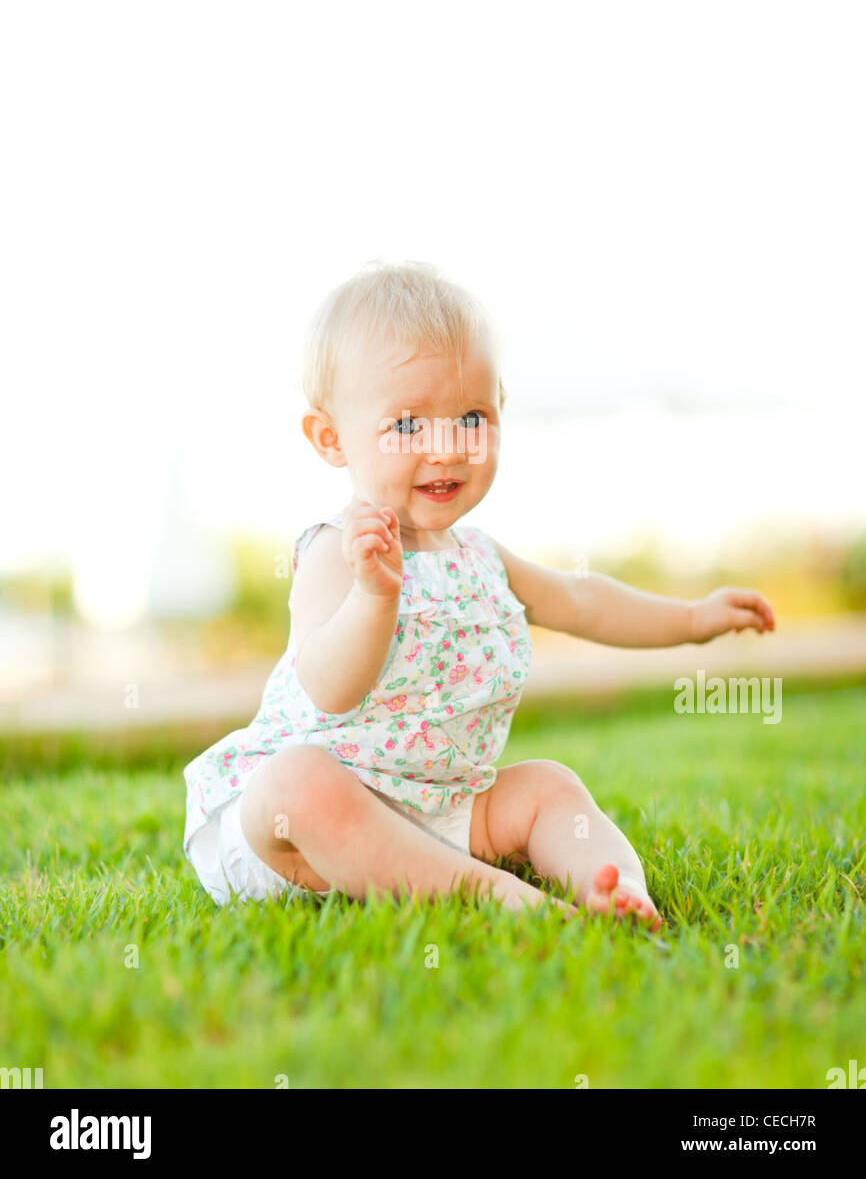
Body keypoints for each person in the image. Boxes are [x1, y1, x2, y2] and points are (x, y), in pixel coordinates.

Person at [183, 260, 775, 928]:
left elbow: (580, 601)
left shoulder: (483, 559)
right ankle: (495, 896)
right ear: (331, 438)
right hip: (301, 837)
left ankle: (615, 886)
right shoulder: (337, 552)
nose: (447, 451)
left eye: (470, 417)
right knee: (297, 782)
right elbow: (328, 688)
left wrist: (691, 617)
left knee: (549, 785)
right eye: (406, 426)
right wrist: (373, 601)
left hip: (442, 807)